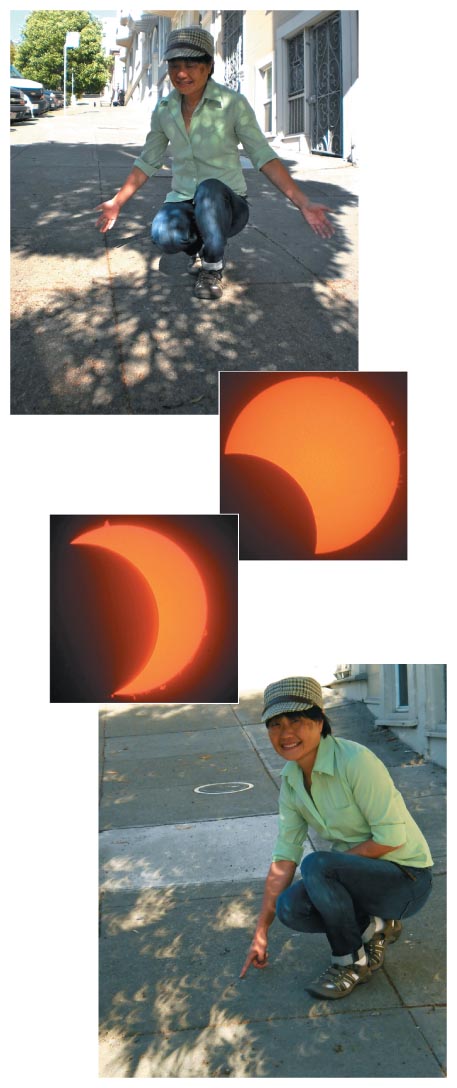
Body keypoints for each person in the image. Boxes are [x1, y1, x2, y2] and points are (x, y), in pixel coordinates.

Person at [96, 26, 334, 301]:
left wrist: (302, 202)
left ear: (208, 66)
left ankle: (212, 265)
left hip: (227, 204)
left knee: (209, 190)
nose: (181, 74)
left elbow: (263, 156)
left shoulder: (233, 104)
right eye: (174, 65)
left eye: (190, 64)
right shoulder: (164, 110)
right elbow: (149, 160)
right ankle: (200, 245)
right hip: (183, 200)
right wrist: (117, 202)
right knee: (164, 236)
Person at [240, 676, 433, 999]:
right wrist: (261, 931)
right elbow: (285, 856)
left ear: (319, 720)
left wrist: (329, 870)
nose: (285, 733)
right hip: (357, 880)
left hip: (406, 879)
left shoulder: (355, 761)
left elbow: (391, 838)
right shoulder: (291, 781)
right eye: (275, 724)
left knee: (318, 865)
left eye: (297, 720)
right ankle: (377, 926)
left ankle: (349, 963)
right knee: (291, 907)